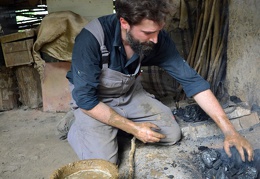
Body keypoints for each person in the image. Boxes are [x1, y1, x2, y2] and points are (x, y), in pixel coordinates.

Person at [66, 0, 254, 164]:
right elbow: (86, 100)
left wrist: (230, 131)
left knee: (171, 134)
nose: (155, 40)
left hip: (129, 95)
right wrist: (134, 128)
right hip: (94, 101)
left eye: (158, 31)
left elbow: (192, 81)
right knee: (105, 162)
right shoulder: (91, 39)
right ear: (124, 22)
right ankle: (78, 129)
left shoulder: (157, 38)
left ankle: (113, 126)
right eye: (148, 32)